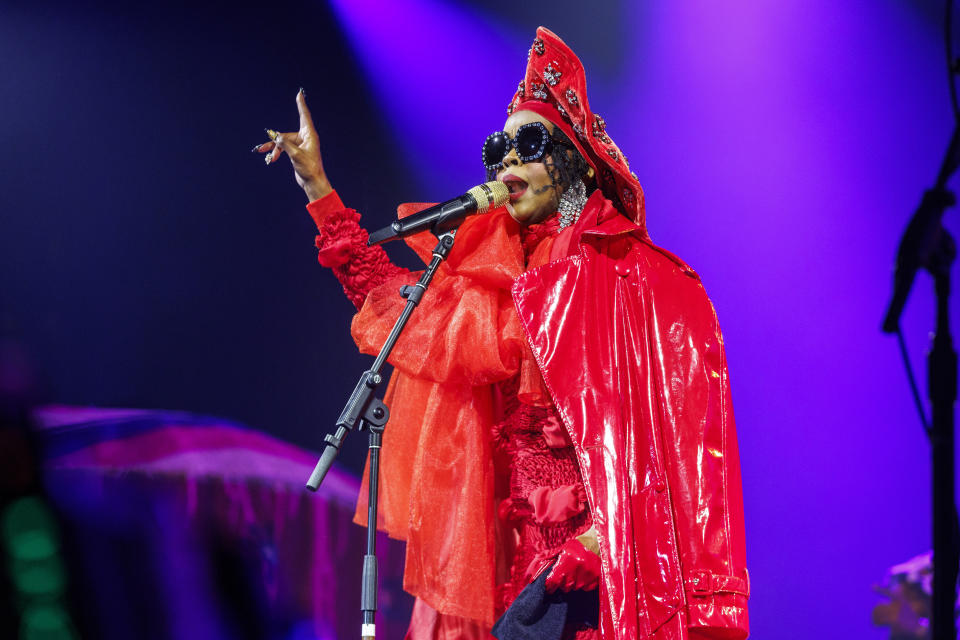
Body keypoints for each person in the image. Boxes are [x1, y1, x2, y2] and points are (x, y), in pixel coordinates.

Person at [256, 27, 749, 640]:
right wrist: (320, 193)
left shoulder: (635, 280)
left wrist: (605, 536)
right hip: (516, 564)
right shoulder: (497, 288)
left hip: (606, 569)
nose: (508, 161)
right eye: (499, 150)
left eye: (528, 143)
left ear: (571, 160)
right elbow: (402, 312)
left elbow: (675, 441)